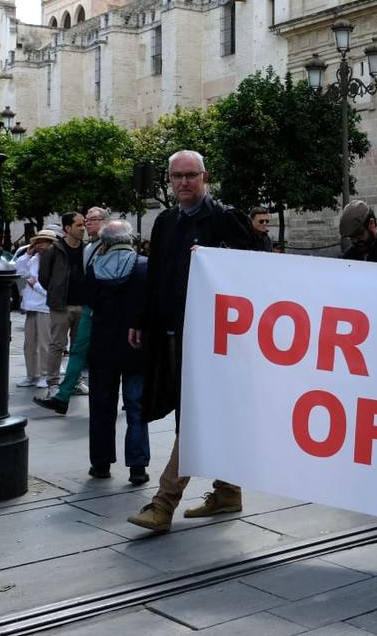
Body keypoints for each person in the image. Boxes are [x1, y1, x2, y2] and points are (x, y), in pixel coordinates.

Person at [126, 150, 259, 534]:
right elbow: (156, 277)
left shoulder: (224, 218)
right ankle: (228, 489)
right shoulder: (165, 222)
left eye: (190, 175)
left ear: (205, 177)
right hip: (170, 335)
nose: (183, 182)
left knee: (194, 414)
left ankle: (164, 502)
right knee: (204, 412)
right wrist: (142, 319)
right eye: (176, 176)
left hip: (212, 339)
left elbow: (257, 268)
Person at [79, 220, 151, 483]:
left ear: (105, 242)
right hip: (135, 346)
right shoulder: (144, 266)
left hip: (103, 346)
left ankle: (100, 464)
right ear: (130, 239)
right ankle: (138, 466)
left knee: (101, 406)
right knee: (136, 406)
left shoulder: (94, 268)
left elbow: (88, 301)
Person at [39, 211, 87, 386]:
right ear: (67, 228)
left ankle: (75, 381)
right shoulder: (54, 250)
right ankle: (52, 382)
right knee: (57, 344)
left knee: (78, 346)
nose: (83, 228)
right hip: (60, 305)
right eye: (79, 225)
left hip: (82, 305)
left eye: (84, 224)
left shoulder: (86, 248)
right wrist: (55, 291)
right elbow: (44, 277)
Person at [15, 230, 56, 388]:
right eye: (38, 242)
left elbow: (52, 287)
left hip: (45, 306)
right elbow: (20, 270)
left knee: (45, 343)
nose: (39, 245)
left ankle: (45, 375)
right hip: (31, 306)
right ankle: (31, 374)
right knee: (30, 343)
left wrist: (36, 285)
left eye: (43, 242)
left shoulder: (53, 260)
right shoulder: (34, 259)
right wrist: (26, 254)